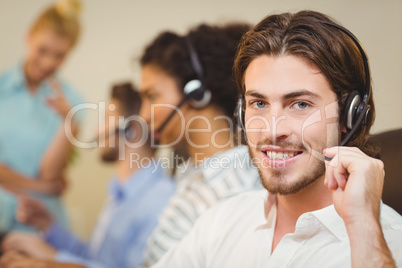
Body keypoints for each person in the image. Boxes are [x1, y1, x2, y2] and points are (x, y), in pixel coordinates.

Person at [151, 11, 402, 267]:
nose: (272, 130)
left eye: (300, 104)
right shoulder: (221, 221)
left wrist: (362, 226)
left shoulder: (388, 244)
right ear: (241, 112)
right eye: (258, 103)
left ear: (349, 116)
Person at [0, 83, 176, 268]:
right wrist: (48, 226)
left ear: (131, 129)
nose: (97, 132)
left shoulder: (160, 200)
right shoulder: (120, 193)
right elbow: (94, 258)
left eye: (107, 119)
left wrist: (51, 261)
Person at [138, 23, 262, 266]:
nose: (143, 115)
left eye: (152, 97)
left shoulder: (235, 188)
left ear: (196, 93)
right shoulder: (191, 173)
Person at [0, 0, 84, 232]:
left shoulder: (73, 104)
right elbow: (47, 184)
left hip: (39, 227)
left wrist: (69, 123)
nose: (48, 63)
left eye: (59, 56)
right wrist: (39, 186)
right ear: (29, 37)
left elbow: (51, 174)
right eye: (42, 50)